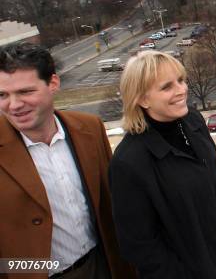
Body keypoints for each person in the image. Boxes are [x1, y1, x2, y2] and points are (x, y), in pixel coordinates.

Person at [109, 50, 216, 279]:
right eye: (167, 87)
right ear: (142, 99)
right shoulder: (129, 162)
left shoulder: (193, 121)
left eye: (181, 80)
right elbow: (139, 245)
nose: (181, 90)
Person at [0, 43, 136, 279]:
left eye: (25, 92)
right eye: (2, 95)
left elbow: (111, 203)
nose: (14, 105)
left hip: (102, 266)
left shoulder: (91, 128)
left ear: (53, 83)